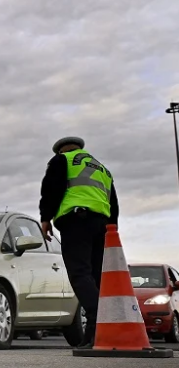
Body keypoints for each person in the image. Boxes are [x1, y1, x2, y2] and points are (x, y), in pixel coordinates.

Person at [39, 136, 118, 349]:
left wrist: (45, 217)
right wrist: (113, 228)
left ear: (60, 151)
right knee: (95, 277)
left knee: (79, 273)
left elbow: (51, 189)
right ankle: (101, 331)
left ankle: (96, 321)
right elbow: (113, 201)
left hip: (76, 221)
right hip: (102, 225)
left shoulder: (62, 161)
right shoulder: (101, 168)